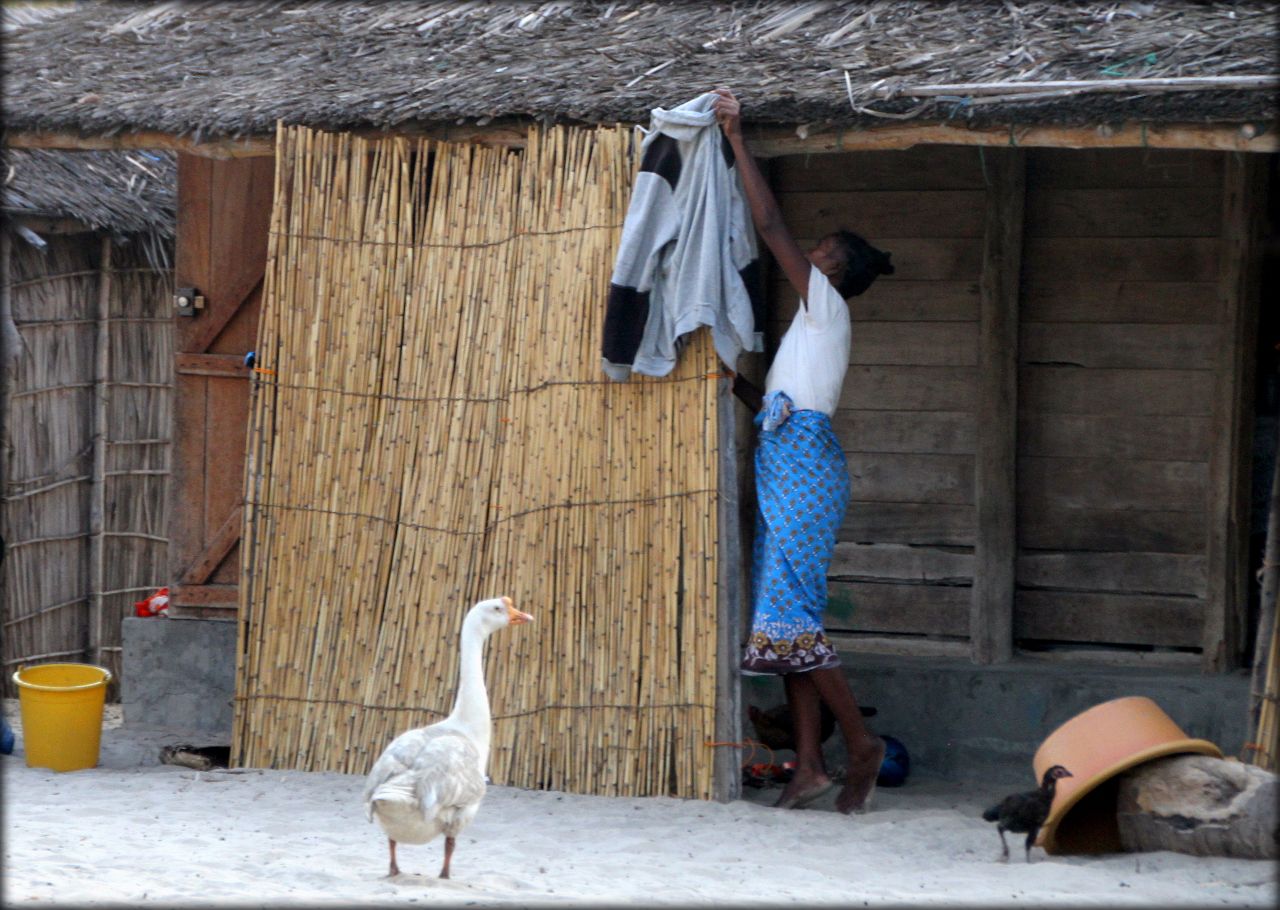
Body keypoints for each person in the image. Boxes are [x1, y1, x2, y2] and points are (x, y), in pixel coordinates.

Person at [712, 87, 895, 814]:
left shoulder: (827, 303)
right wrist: (743, 395)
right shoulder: (816, 329)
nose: (809, 255)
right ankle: (810, 765)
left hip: (804, 470)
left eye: (821, 253)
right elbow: (791, 409)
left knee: (796, 623)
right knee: (786, 625)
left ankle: (861, 746)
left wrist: (735, 135)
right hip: (791, 462)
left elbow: (767, 221)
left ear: (836, 271)